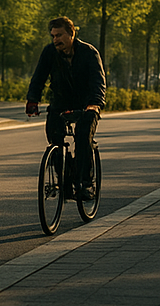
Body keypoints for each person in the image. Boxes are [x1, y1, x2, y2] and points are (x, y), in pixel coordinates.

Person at [25, 16, 105, 200]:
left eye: (59, 35)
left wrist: (95, 104)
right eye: (53, 36)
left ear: (71, 34)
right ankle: (64, 179)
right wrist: (32, 100)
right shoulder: (49, 53)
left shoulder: (89, 53)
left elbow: (98, 82)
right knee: (54, 139)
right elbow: (38, 78)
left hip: (87, 104)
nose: (56, 40)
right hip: (61, 102)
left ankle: (86, 184)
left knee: (84, 137)